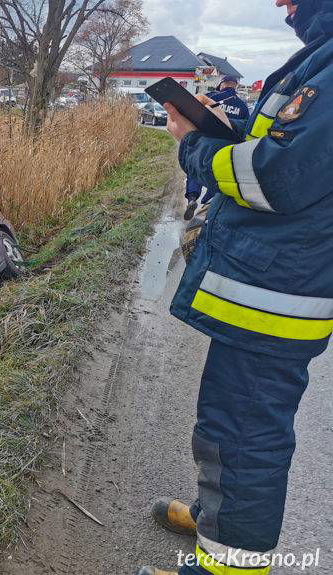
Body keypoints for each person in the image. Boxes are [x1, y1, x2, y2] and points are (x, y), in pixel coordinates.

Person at [136, 1, 333, 574]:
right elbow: (288, 148)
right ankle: (215, 516)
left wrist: (197, 143)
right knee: (229, 421)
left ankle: (226, 563)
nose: (278, 2)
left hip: (279, 295)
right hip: (275, 284)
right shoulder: (318, 59)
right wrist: (232, 126)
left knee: (243, 435)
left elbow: (274, 177)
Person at [183, 76, 250, 220]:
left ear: (221, 85)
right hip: (226, 148)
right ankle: (209, 205)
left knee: (195, 167)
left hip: (204, 140)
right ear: (235, 86)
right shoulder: (242, 105)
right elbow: (247, 129)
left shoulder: (210, 97)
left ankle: (192, 198)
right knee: (218, 175)